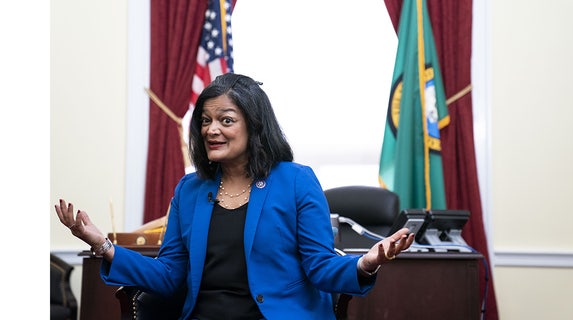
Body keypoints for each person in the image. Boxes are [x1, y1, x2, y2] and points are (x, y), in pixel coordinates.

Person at [55, 73, 415, 320]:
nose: (212, 129)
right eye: (205, 121)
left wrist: (365, 264)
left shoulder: (296, 181)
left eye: (226, 120)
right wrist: (103, 245)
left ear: (254, 125)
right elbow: (169, 275)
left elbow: (319, 267)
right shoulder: (190, 189)